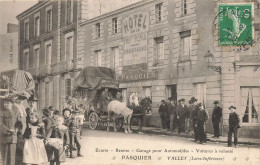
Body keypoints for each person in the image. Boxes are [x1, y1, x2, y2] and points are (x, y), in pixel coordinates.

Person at [0, 97, 23, 165]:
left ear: (12, 104)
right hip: (4, 138)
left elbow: (19, 123)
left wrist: (17, 129)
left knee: (12, 157)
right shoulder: (1, 112)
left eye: (8, 103)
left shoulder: (15, 112)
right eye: (5, 103)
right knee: (5, 157)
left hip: (14, 138)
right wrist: (8, 130)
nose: (6, 104)